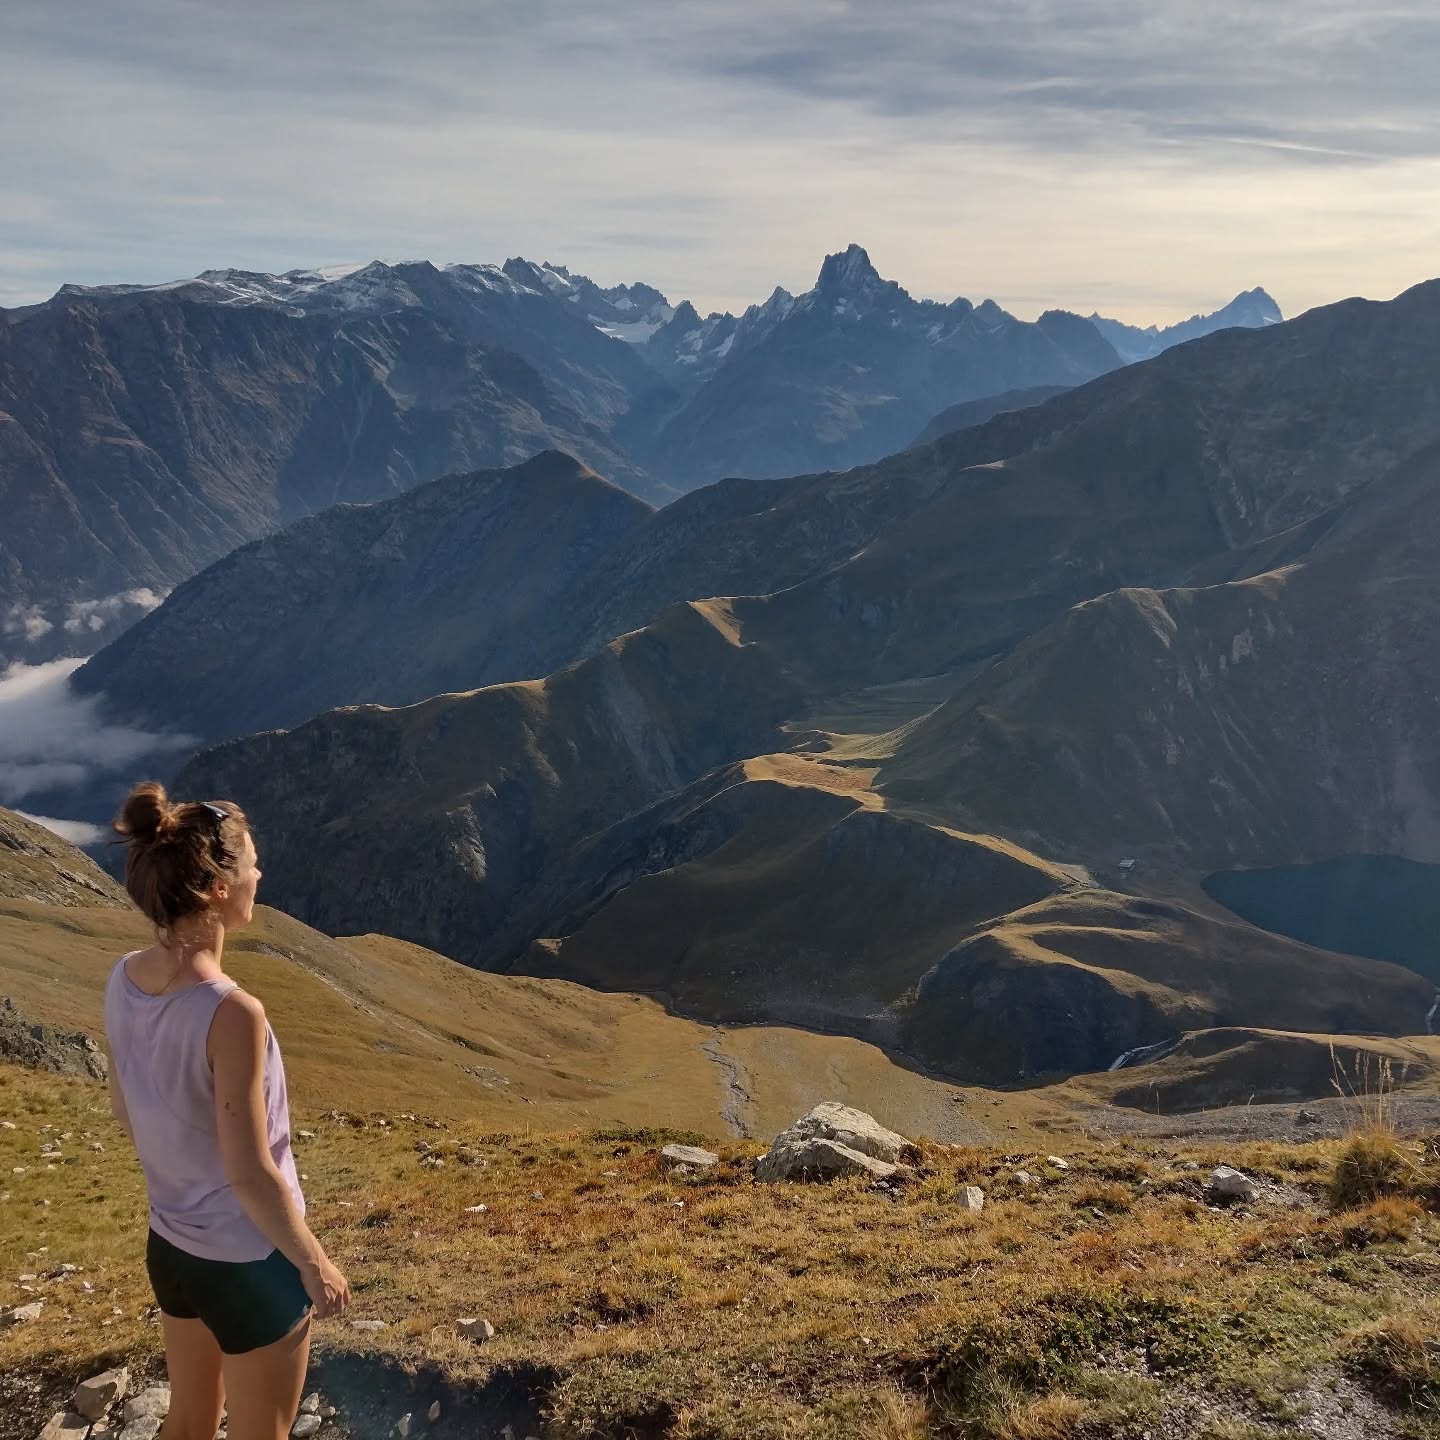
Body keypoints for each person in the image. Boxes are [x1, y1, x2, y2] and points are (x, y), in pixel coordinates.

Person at [103, 781, 350, 1440]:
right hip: (249, 1262)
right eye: (249, 865)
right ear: (218, 888)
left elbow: (128, 1113)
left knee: (187, 1423)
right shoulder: (232, 1014)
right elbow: (251, 1172)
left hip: (171, 1248)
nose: (259, 874)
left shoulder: (123, 978)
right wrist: (313, 1263)